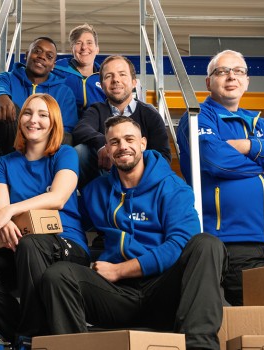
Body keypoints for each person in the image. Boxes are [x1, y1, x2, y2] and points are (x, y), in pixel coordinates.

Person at [40, 116, 227, 350]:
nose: (122, 147)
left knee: (206, 244)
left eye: (129, 139)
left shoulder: (173, 187)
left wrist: (120, 270)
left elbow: (180, 243)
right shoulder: (95, 192)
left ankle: (200, 347)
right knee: (58, 275)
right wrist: (16, 213)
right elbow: (69, 220)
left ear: (143, 143)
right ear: (107, 149)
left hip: (164, 293)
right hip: (116, 297)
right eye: (114, 142)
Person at [0, 94, 90, 350]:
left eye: (43, 115)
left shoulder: (64, 154)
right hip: (19, 247)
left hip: (65, 246)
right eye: (28, 113)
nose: (34, 120)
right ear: (20, 120)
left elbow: (58, 198)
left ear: (53, 122)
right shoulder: (4, 163)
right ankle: (25, 335)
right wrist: (4, 216)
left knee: (31, 244)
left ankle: (32, 336)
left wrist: (9, 211)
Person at [177, 49, 264, 306]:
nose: (231, 77)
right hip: (234, 241)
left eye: (238, 72)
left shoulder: (258, 123)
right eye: (222, 71)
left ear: (246, 81)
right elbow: (215, 159)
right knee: (255, 315)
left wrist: (249, 147)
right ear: (209, 82)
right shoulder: (198, 116)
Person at [72, 55, 171, 189]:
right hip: (105, 179)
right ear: (101, 85)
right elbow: (81, 129)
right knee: (80, 152)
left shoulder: (150, 114)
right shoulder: (96, 110)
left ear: (134, 82)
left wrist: (131, 159)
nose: (116, 80)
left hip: (141, 182)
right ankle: (94, 199)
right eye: (108, 76)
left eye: (122, 74)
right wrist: (103, 145)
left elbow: (163, 156)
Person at [0, 37, 78, 158]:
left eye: (49, 56)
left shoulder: (64, 92)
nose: (42, 57)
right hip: (11, 150)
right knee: (8, 108)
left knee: (67, 138)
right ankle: (14, 165)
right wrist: (1, 96)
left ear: (52, 65)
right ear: (27, 55)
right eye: (37, 51)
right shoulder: (7, 78)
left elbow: (66, 129)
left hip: (45, 154)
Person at [53, 23, 106, 116]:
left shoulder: (105, 77)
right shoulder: (56, 71)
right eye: (78, 43)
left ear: (97, 49)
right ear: (72, 49)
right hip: (64, 128)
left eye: (89, 43)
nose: (84, 47)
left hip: (96, 129)